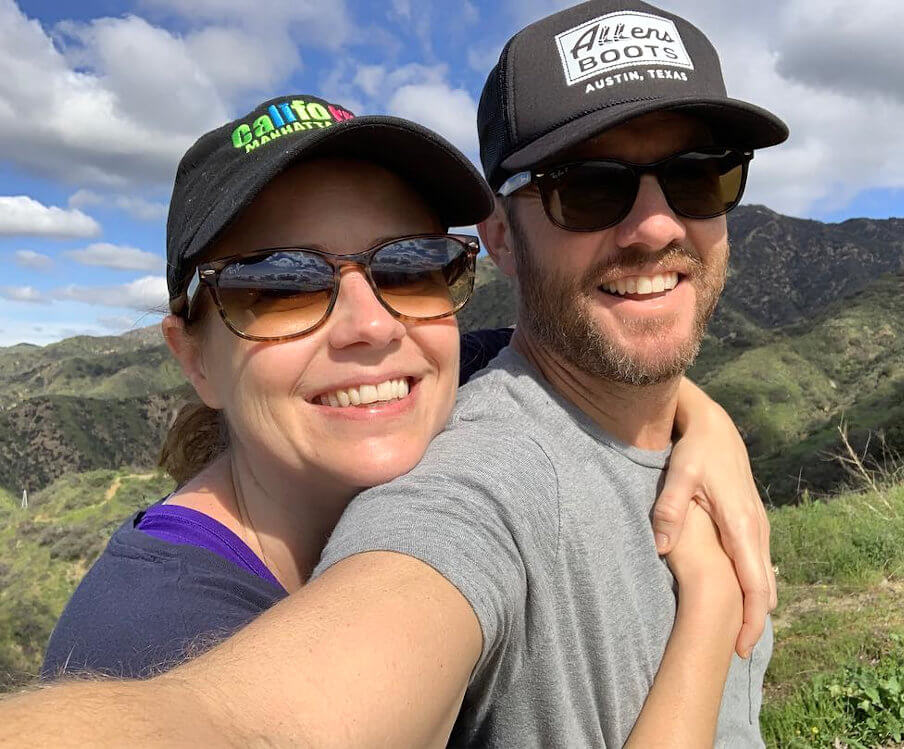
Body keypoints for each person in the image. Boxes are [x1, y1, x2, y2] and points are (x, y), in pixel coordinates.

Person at [0, 1, 785, 745]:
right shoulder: (146, 632)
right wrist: (710, 600)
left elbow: (607, 355)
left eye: (411, 266)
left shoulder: (465, 371)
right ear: (192, 354)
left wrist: (701, 420)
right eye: (279, 284)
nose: (372, 326)